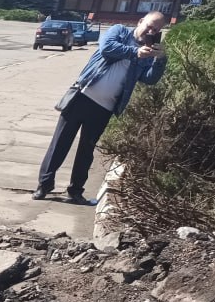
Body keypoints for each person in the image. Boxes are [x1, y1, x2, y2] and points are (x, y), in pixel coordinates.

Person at [34, 11, 168, 205]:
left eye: (156, 29)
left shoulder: (147, 53)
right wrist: (134, 52)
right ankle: (44, 186)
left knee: (86, 151)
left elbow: (150, 79)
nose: (151, 31)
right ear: (140, 21)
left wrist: (160, 60)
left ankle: (76, 191)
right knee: (60, 144)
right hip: (82, 95)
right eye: (149, 25)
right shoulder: (119, 31)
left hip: (104, 108)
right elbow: (107, 48)